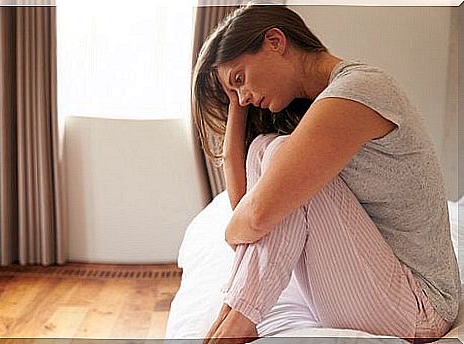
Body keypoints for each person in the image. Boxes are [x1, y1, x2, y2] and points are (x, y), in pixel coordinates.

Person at [191, 4, 460, 344]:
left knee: (280, 161)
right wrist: (236, 108)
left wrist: (232, 231)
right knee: (264, 148)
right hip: (377, 290)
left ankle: (238, 318)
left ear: (275, 41)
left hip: (420, 308)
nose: (244, 96)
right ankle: (235, 313)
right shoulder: (324, 102)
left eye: (240, 80)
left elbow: (255, 217)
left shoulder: (356, 91)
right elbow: (244, 203)